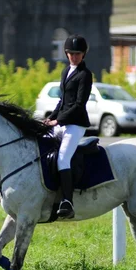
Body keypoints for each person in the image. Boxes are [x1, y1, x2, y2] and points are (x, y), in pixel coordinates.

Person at [44, 34, 92, 219]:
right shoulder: (66, 72)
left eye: (77, 53)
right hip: (62, 121)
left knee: (63, 158)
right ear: (66, 53)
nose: (74, 56)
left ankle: (67, 201)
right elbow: (63, 101)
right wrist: (50, 118)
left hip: (76, 124)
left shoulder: (85, 75)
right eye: (71, 53)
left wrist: (59, 120)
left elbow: (79, 104)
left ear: (83, 54)